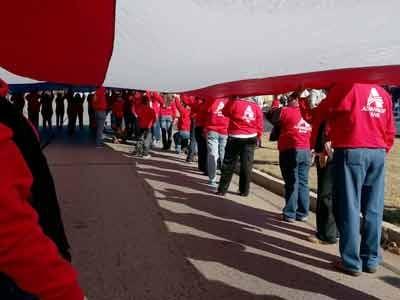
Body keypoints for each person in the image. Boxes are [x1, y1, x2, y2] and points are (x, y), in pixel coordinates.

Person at [0, 79, 85, 300]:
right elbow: (10, 230)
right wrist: (66, 291)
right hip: (17, 275)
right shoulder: (11, 111)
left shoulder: (10, 111)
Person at [312, 83, 396, 276]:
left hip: (351, 149)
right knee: (373, 208)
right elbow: (389, 128)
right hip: (378, 151)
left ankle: (351, 261)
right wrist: (382, 149)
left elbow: (322, 113)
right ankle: (371, 259)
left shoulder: (348, 87)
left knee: (349, 206)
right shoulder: (383, 93)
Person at [299, 92, 338, 244]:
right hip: (331, 151)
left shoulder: (335, 100)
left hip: (330, 152)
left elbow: (330, 124)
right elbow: (312, 117)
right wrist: (302, 99)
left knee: (326, 194)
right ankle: (332, 230)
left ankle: (327, 234)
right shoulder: (329, 101)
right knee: (331, 193)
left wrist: (326, 148)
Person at [268, 92, 312, 222]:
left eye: (289, 98)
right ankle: (303, 212)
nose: (287, 100)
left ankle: (290, 213)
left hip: (290, 151)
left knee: (291, 183)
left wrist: (275, 99)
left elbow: (271, 115)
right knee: (303, 183)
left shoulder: (287, 111)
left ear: (294, 100)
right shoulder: (309, 113)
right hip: (306, 150)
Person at [216, 96, 263, 197]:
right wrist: (259, 136)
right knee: (247, 164)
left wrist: (231, 100)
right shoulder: (256, 106)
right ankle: (244, 190)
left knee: (229, 164)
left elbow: (225, 112)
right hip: (251, 136)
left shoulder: (235, 103)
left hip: (235, 136)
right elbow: (259, 124)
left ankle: (222, 189)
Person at [204, 97, 229, 187]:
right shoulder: (212, 98)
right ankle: (212, 179)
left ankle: (224, 179)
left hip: (225, 131)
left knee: (224, 156)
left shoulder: (230, 99)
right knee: (213, 154)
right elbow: (206, 110)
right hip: (212, 130)